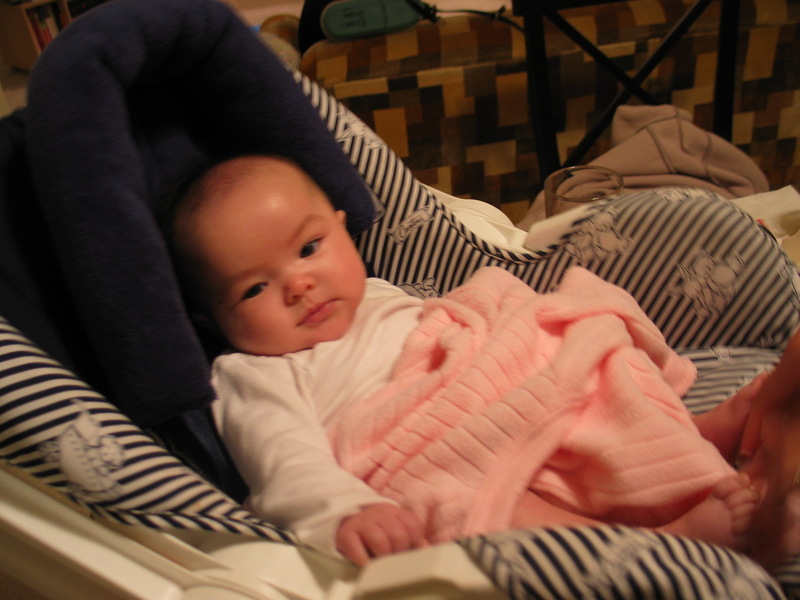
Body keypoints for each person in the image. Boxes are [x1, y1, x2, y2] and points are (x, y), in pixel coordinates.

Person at [170, 154, 800, 568]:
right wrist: (348, 512)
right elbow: (284, 463)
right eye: (254, 288)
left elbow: (465, 328)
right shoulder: (251, 374)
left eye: (310, 247)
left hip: (506, 385)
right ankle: (658, 546)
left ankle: (695, 436)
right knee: (467, 513)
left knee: (589, 354)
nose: (299, 285)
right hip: (421, 449)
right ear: (213, 320)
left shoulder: (378, 292)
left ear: (341, 227)